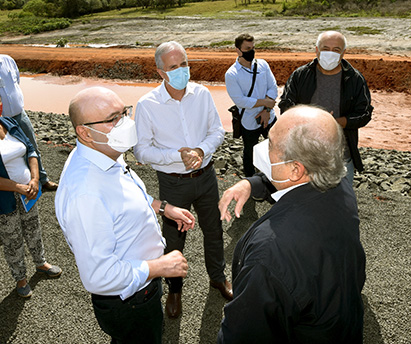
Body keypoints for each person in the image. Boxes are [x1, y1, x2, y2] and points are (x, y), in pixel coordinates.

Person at [56, 87, 194, 343]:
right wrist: (159, 266)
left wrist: (163, 208)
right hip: (129, 299)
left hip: (142, 284)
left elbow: (126, 193)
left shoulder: (105, 151)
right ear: (85, 132)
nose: (125, 123)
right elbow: (100, 277)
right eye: (112, 119)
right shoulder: (85, 193)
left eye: (124, 113)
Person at [218, 105, 366, 343]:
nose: (264, 150)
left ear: (296, 168)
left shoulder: (269, 251)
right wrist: (251, 184)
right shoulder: (340, 186)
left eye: (270, 146)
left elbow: (244, 333)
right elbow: (294, 185)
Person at [134, 41, 231, 319]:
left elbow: (216, 131)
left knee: (213, 230)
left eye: (184, 64)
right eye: (174, 67)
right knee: (174, 239)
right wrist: (176, 155)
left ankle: (218, 277)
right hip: (173, 182)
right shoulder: (148, 105)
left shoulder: (201, 94)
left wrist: (201, 150)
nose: (181, 71)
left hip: (206, 176)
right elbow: (141, 150)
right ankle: (174, 290)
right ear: (161, 72)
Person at [0, 85, 62, 298]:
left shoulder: (10, 123)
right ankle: (20, 279)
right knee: (12, 239)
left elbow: (32, 151)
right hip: (2, 197)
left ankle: (41, 262)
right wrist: (18, 187)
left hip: (28, 192)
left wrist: (35, 180)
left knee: (34, 229)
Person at [0, 31, 58, 191]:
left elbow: (16, 82)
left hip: (19, 115)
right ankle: (10, 185)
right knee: (1, 154)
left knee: (32, 148)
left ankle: (42, 180)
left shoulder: (8, 60)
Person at [279, 31, 372, 185]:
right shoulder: (301, 76)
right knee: (305, 201)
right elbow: (286, 105)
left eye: (336, 50)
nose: (330, 53)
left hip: (341, 157)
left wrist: (337, 122)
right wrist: (309, 120)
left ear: (343, 53)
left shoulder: (354, 79)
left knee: (341, 203)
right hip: (305, 155)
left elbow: (364, 113)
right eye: (325, 48)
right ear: (316, 50)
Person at [225, 33, 278, 177]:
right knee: (250, 151)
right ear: (238, 50)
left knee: (278, 148)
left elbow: (273, 88)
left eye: (253, 47)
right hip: (248, 121)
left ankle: (278, 178)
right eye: (248, 48)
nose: (252, 51)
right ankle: (250, 181)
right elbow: (240, 101)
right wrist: (265, 102)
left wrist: (266, 109)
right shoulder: (232, 74)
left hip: (269, 117)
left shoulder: (263, 65)